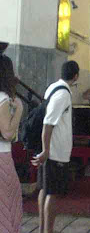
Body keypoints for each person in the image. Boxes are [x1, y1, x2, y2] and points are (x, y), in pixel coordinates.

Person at [31, 60, 79, 233]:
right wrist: (46, 150)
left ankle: (43, 229)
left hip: (51, 150)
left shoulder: (53, 87)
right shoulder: (63, 94)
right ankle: (47, 230)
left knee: (45, 189)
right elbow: (48, 123)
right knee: (53, 192)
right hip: (55, 152)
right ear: (76, 76)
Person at [0, 54, 24, 233]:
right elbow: (7, 133)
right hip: (2, 158)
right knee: (8, 207)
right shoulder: (2, 98)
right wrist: (19, 110)